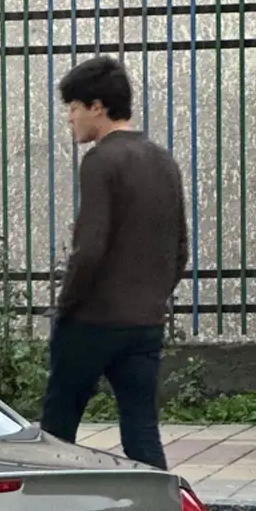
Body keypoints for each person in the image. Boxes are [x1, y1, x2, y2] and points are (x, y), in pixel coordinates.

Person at [41, 55, 187, 470]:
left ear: (97, 107)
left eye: (73, 108)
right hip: (145, 324)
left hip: (92, 321)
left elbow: (90, 248)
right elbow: (180, 251)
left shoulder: (101, 160)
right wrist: (152, 298)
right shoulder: (163, 160)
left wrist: (66, 306)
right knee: (141, 430)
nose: (70, 119)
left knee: (58, 427)